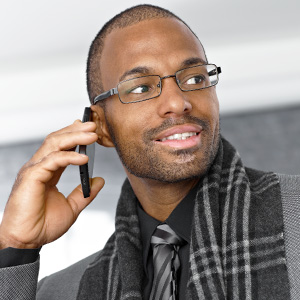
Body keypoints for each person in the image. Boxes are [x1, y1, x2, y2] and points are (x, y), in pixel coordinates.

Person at [0, 4, 299, 300]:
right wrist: (16, 247)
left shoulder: (294, 214)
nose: (177, 102)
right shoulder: (61, 292)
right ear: (100, 127)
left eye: (195, 78)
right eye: (141, 88)